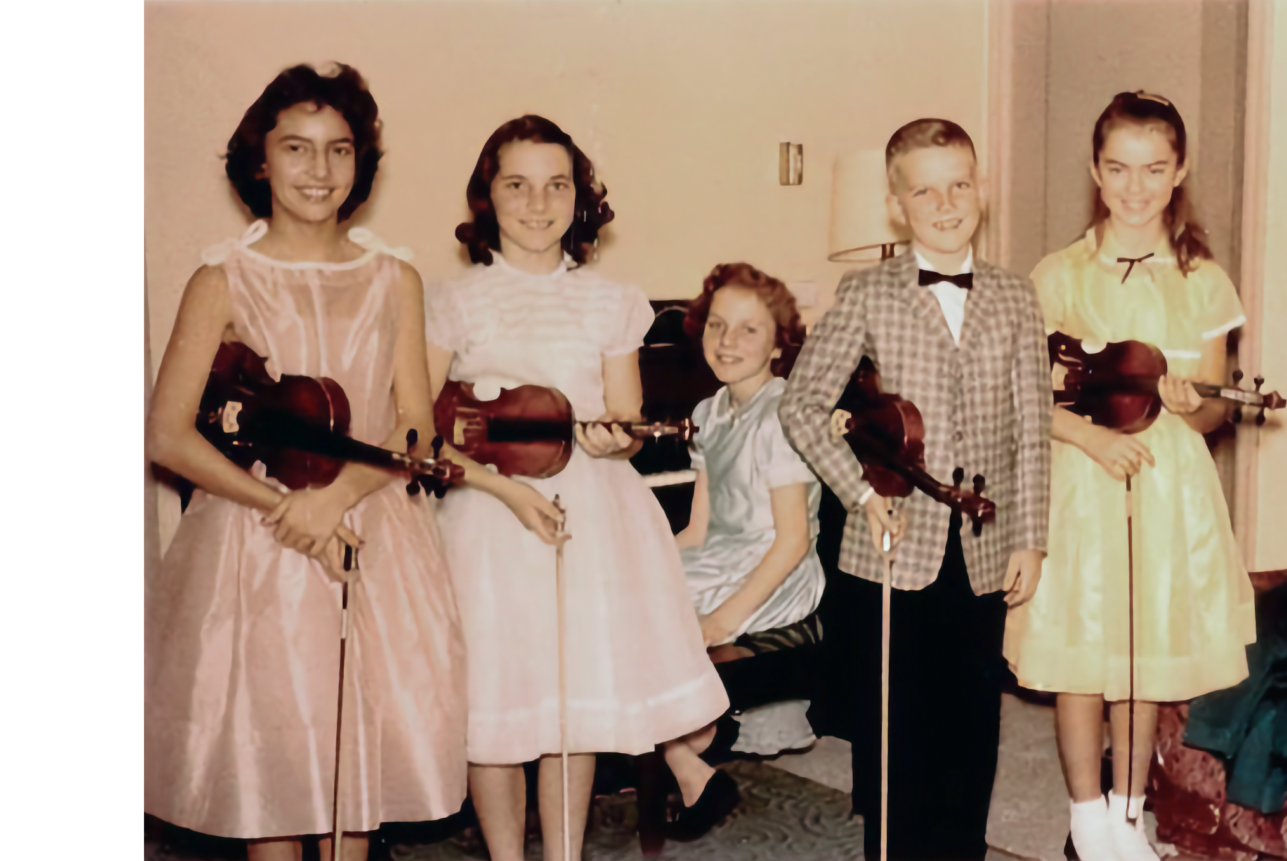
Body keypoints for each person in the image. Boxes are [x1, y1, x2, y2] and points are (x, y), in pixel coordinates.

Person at [143, 64, 467, 861]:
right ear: (261, 161)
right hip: (254, 545)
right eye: (297, 148)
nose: (319, 171)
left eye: (340, 150)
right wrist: (280, 507)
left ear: (361, 164)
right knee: (274, 765)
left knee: (356, 761)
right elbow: (167, 435)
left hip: (375, 534)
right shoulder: (222, 278)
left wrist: (339, 497)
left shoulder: (396, 278)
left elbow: (415, 428)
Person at [424, 115, 729, 861]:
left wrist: (612, 436)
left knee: (572, 699)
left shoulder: (611, 299)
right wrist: (499, 489)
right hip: (487, 517)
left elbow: (623, 422)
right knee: (495, 704)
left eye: (556, 184)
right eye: (517, 184)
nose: (538, 203)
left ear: (579, 196)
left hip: (586, 515)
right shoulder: (453, 299)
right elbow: (422, 432)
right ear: (487, 196)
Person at [778, 118, 1052, 861]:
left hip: (987, 542)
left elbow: (1033, 422)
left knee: (973, 726)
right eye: (924, 189)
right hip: (895, 545)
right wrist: (860, 496)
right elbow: (801, 406)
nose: (944, 202)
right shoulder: (867, 291)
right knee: (899, 731)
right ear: (898, 203)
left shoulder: (1016, 295)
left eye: (959, 183)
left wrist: (1031, 534)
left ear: (981, 191)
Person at [1002, 91, 1256, 861]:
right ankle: (1085, 817)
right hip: (1082, 474)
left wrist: (1187, 403)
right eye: (1118, 169)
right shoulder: (1058, 274)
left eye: (1153, 169)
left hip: (1166, 481)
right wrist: (1091, 438)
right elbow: (1029, 398)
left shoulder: (1204, 279)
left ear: (1178, 172)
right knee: (1080, 648)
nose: (1135, 187)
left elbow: (1213, 411)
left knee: (1143, 648)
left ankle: (1126, 813)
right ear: (1095, 170)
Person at [659, 263, 823, 840]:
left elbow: (793, 539)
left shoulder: (783, 415)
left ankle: (686, 746)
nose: (727, 342)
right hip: (722, 555)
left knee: (648, 623)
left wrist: (723, 620)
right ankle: (685, 753)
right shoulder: (709, 413)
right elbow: (699, 529)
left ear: (780, 343)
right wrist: (649, 565)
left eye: (749, 330)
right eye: (717, 327)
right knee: (620, 595)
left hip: (774, 569)